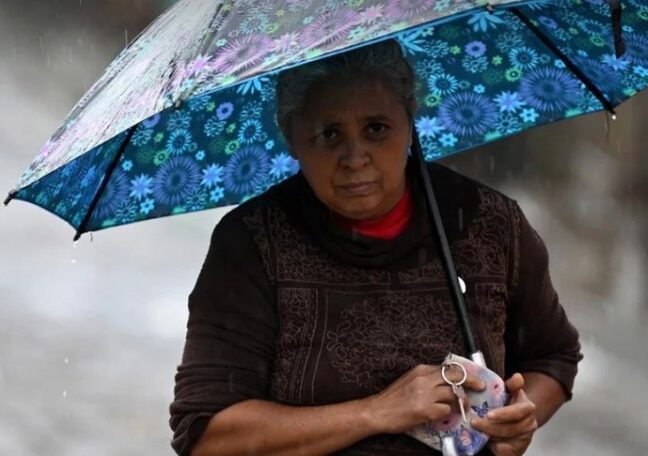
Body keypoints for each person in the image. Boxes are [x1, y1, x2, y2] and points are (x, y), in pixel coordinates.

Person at [168, 39, 582, 456]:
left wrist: (519, 416)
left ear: (409, 123)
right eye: (329, 134)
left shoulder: (488, 223)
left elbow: (553, 356)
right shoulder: (253, 241)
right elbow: (208, 437)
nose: (355, 157)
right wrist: (377, 411)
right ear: (293, 141)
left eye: (376, 129)